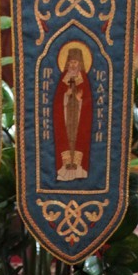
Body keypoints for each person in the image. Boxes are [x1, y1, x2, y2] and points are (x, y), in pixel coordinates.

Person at [53, 47, 92, 180]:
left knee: (78, 138)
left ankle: (78, 169)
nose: (72, 65)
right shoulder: (64, 79)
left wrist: (80, 100)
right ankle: (65, 168)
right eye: (70, 62)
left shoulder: (84, 80)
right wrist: (66, 95)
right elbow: (57, 100)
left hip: (79, 117)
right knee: (65, 138)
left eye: (75, 62)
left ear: (80, 63)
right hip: (66, 116)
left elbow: (88, 102)